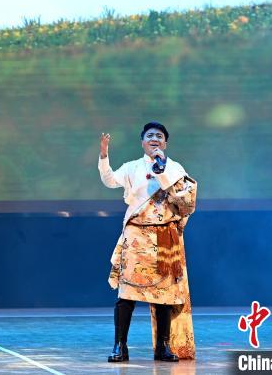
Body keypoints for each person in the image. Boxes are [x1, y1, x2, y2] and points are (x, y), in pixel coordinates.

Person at [98, 121, 197, 363]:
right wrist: (103, 155)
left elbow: (186, 203)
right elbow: (109, 180)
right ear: (142, 142)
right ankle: (120, 346)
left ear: (165, 143)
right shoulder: (131, 167)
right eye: (150, 135)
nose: (155, 139)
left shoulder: (175, 169)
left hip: (165, 238)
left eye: (159, 136)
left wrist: (162, 171)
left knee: (164, 295)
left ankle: (163, 347)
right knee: (127, 293)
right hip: (136, 237)